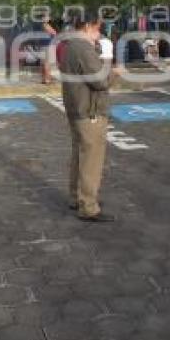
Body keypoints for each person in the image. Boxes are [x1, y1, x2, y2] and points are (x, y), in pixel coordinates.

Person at [60, 16, 115, 223]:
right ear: (88, 26)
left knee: (80, 155)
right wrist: (110, 65)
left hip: (77, 107)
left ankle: (77, 198)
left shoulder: (70, 46)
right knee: (91, 159)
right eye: (97, 28)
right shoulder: (82, 48)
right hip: (89, 110)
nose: (99, 33)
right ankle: (89, 206)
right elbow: (100, 81)